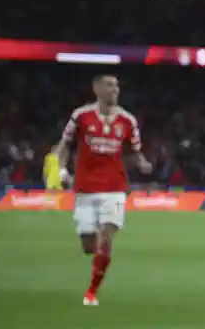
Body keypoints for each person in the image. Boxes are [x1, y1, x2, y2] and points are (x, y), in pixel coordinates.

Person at [53, 75, 151, 306]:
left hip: (115, 187)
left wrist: (143, 163)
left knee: (106, 236)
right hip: (85, 187)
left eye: (117, 85)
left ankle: (91, 293)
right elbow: (65, 145)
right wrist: (60, 171)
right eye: (109, 85)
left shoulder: (128, 120)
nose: (114, 89)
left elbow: (135, 151)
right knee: (89, 245)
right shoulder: (81, 116)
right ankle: (97, 249)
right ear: (96, 88)